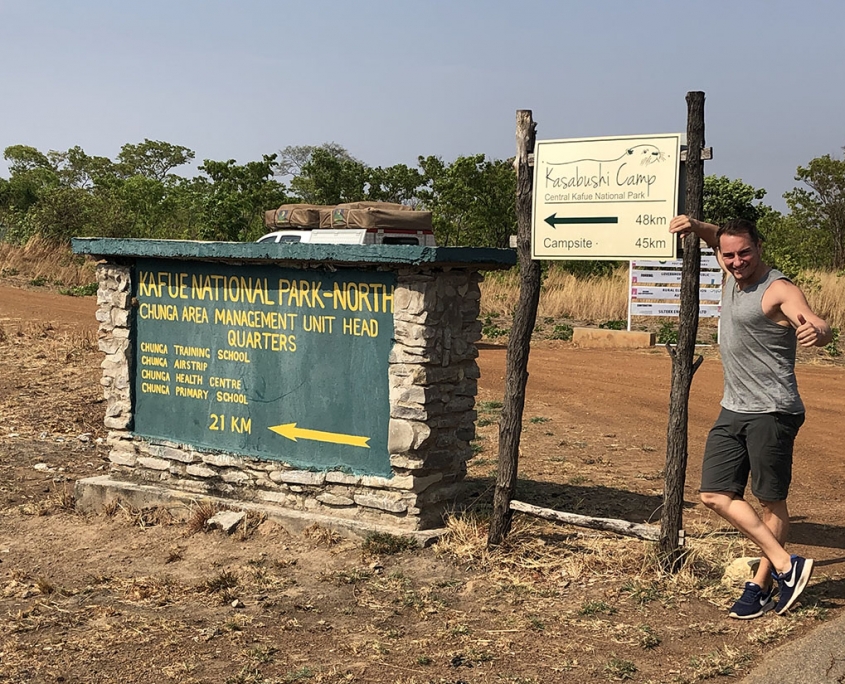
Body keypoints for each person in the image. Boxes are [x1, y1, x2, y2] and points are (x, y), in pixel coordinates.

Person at [669, 215, 832, 619]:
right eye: (729, 255)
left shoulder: (778, 288)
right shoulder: (730, 273)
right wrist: (695, 224)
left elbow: (812, 319)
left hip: (773, 410)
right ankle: (784, 564)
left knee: (771, 500)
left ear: (759, 247)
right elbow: (713, 237)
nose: (737, 261)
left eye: (745, 252)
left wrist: (819, 331)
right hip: (734, 407)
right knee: (713, 493)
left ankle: (760, 585)